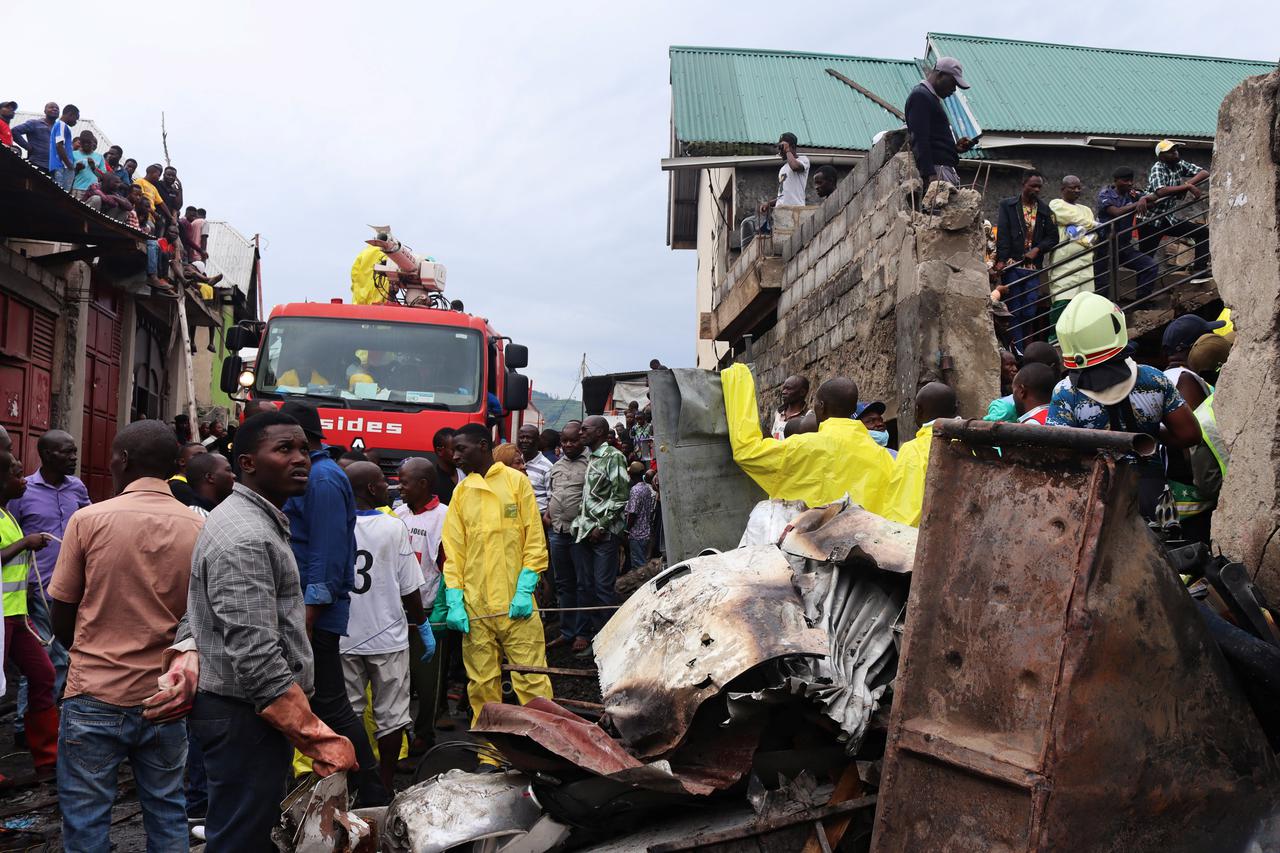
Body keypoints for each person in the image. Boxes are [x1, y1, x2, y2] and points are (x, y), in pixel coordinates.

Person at [180, 411, 357, 851]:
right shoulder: (245, 535)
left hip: (250, 714)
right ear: (248, 463)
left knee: (249, 832)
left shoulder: (256, 520)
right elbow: (256, 656)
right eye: (284, 449)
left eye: (303, 449)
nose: (301, 459)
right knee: (242, 840)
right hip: (244, 715)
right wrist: (318, 737)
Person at [47, 420, 202, 852]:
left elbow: (62, 613)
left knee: (85, 820)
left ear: (124, 461)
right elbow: (200, 619)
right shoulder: (197, 527)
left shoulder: (89, 520)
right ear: (174, 466)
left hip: (94, 691)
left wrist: (88, 651)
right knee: (168, 812)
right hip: (165, 697)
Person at [279, 401, 387, 805]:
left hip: (315, 613)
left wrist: (309, 612)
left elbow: (325, 550)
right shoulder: (316, 474)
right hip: (308, 609)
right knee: (322, 701)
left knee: (331, 704)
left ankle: (371, 791)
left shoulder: (321, 479)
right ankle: (356, 788)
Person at [440, 423, 553, 746]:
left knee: (532, 678)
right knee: (481, 683)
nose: (455, 455)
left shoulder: (516, 483)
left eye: (461, 449)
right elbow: (455, 552)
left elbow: (534, 539)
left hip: (517, 603)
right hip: (476, 606)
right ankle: (490, 752)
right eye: (453, 450)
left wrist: (525, 586)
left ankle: (544, 747)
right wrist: (455, 599)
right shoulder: (462, 492)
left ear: (482, 445)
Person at [1047, 292, 1201, 523]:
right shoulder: (1154, 380)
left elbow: (1056, 456)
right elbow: (1189, 434)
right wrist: (1150, 433)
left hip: (1094, 502)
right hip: (1153, 499)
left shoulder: (1066, 393)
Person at [341, 462, 428, 794]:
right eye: (382, 482)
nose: (387, 486)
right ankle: (384, 785)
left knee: (349, 712)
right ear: (372, 490)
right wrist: (421, 623)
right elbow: (409, 587)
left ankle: (353, 783)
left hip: (344, 636)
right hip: (388, 635)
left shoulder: (337, 525)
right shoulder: (394, 527)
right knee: (391, 715)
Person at [722, 363, 893, 512]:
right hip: (869, 543)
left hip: (812, 545)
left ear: (821, 406)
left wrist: (738, 382)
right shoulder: (884, 456)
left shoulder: (804, 446)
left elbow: (747, 452)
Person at [7, 430, 89, 726]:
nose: (74, 458)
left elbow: (88, 525)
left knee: (62, 656)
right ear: (46, 455)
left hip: (71, 587)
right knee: (46, 657)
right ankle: (26, 722)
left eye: (74, 451)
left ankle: (38, 719)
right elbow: (12, 532)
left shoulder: (77, 488)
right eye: (67, 452)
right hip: (37, 589)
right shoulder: (22, 489)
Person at [0, 449, 58, 788]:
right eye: (15, 474)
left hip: (16, 615)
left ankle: (47, 761)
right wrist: (25, 543)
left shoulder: (8, 514)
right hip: (3, 618)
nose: (23, 480)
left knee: (44, 674)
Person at [394, 458, 449, 749]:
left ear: (424, 484)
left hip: (427, 607)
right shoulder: (397, 514)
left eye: (404, 482)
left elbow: (448, 564)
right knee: (398, 678)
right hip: (396, 610)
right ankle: (401, 735)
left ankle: (425, 733)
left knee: (427, 678)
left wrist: (442, 605)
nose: (398, 487)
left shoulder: (444, 516)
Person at [1161, 314, 1224, 542]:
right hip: (1194, 494)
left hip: (1173, 492)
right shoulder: (1187, 379)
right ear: (1193, 347)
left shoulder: (1163, 377)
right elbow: (1197, 441)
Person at [571, 416, 631, 650]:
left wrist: (602, 525)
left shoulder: (613, 457)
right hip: (585, 531)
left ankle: (608, 643)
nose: (580, 433)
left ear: (599, 432)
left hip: (603, 534)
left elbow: (620, 496)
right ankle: (590, 636)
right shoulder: (591, 458)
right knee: (585, 586)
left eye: (585, 429)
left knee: (603, 588)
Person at [995, 171, 1058, 352]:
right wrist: (1001, 260)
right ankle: (1017, 351)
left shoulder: (1045, 210)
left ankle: (1025, 350)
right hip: (1012, 266)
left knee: (1029, 311)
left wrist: (1038, 249)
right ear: (1023, 184)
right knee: (1013, 310)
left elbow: (1053, 237)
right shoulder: (1008, 206)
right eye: (1033, 186)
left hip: (1033, 269)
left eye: (1039, 186)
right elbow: (1004, 234)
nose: (1036, 190)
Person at [880, 383, 957, 527]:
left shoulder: (913, 449)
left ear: (918, 410)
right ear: (955, 409)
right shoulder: (969, 444)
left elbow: (905, 508)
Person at [545, 422, 591, 653]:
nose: (569, 445)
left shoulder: (591, 463)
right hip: (558, 532)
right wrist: (548, 513)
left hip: (580, 533)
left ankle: (582, 633)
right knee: (563, 585)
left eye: (573, 440)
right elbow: (555, 493)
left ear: (582, 440)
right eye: (564, 441)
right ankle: (567, 631)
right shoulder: (557, 465)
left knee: (583, 584)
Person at [1141, 140, 1212, 283]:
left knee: (1203, 232)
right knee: (1145, 260)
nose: (1175, 153)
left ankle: (1199, 270)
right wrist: (1186, 188)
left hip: (1168, 219)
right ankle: (1142, 296)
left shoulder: (1179, 165)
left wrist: (1188, 184)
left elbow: (1204, 173)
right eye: (1170, 151)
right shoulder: (1158, 167)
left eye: (1175, 150)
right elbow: (1161, 191)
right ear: (1161, 156)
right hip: (1151, 221)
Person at [904, 57, 975, 186]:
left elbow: (932, 140)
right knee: (938, 206)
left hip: (943, 170)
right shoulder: (920, 96)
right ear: (940, 75)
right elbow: (919, 139)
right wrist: (931, 176)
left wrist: (954, 148)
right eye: (953, 83)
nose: (954, 89)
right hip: (938, 172)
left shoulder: (930, 97)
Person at [1095, 167, 1158, 301]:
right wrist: (1136, 204)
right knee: (1103, 285)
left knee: (1150, 266)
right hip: (1105, 246)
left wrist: (1144, 199)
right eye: (1125, 181)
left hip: (1124, 245)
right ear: (1116, 181)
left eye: (1131, 181)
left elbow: (1154, 198)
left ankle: (1141, 303)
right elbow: (1116, 212)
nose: (1129, 184)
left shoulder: (1133, 193)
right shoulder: (1105, 194)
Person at [1047, 175, 1100, 333]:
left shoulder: (1086, 210)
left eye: (1079, 187)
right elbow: (1070, 217)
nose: (1077, 191)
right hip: (1064, 263)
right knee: (1062, 301)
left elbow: (1094, 235)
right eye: (1073, 188)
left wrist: (1082, 231)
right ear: (1063, 189)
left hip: (1085, 263)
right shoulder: (1056, 204)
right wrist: (1091, 225)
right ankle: (1056, 338)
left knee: (1085, 304)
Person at [757, 132, 811, 223]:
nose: (780, 151)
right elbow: (782, 195)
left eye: (781, 147)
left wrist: (787, 150)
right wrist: (769, 204)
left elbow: (794, 167)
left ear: (792, 146)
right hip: (781, 212)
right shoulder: (783, 169)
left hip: (795, 210)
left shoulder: (803, 160)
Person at [624, 462, 656, 571]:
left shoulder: (635, 490)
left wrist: (626, 530)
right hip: (646, 533)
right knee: (644, 564)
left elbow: (632, 513)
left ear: (631, 475)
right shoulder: (647, 488)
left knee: (639, 569)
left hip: (637, 534)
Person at [184, 451, 235, 517]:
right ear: (210, 477)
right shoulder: (199, 518)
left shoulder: (228, 509)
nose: (234, 475)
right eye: (228, 470)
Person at [11, 102, 59, 171]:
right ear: (45, 111)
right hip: (36, 164)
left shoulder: (59, 129)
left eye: (57, 108)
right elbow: (15, 131)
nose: (55, 109)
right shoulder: (34, 123)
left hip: (53, 169)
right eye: (51, 107)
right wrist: (28, 147)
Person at [516, 424, 553, 514]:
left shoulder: (547, 467)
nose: (524, 441)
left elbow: (551, 499)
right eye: (521, 437)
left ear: (538, 440)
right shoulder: (515, 463)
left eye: (528, 438)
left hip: (538, 518)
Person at [984, 349, 1021, 422]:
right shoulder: (990, 390)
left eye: (1015, 365)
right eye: (1009, 365)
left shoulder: (1016, 390)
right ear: (998, 366)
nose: (1015, 369)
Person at [49, 104, 79, 191]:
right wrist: (69, 165)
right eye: (76, 118)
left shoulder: (62, 126)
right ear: (70, 114)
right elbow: (59, 145)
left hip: (62, 167)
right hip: (61, 167)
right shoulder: (61, 125)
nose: (76, 122)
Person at [71, 130, 107, 204]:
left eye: (89, 142)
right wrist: (77, 169)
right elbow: (68, 174)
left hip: (93, 190)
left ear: (93, 143)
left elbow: (103, 177)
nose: (86, 144)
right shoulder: (73, 154)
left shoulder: (99, 157)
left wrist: (93, 167)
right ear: (80, 142)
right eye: (84, 142)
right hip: (77, 188)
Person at [771, 374, 811, 439]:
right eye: (783, 389)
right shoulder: (778, 413)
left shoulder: (808, 416)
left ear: (802, 392)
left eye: (788, 389)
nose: (783, 392)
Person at [169, 441, 207, 507]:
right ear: (182, 462)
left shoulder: (195, 482)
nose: (205, 459)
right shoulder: (178, 487)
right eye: (198, 455)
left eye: (206, 455)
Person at [432, 427, 461, 505]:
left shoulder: (467, 473)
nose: (459, 454)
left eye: (461, 449)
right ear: (440, 451)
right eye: (454, 450)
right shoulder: (432, 482)